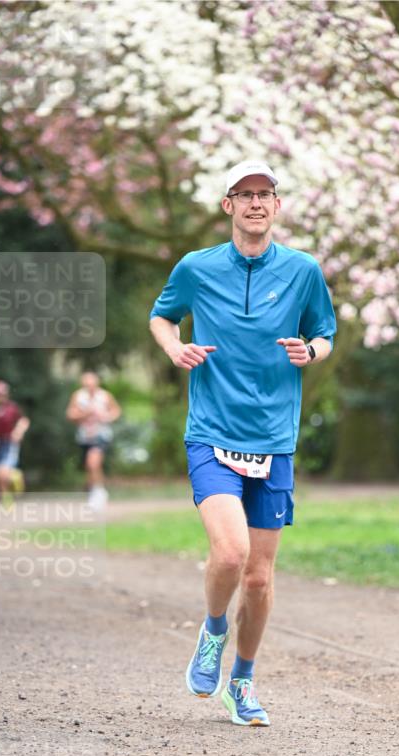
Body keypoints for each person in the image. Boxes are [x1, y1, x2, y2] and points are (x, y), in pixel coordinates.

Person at [149, 159, 336, 727]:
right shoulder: (196, 268)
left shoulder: (303, 270)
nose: (256, 202)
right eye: (244, 194)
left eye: (266, 194)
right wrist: (174, 348)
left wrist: (312, 352)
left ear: (277, 207)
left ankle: (243, 682)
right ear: (228, 205)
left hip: (274, 439)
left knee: (258, 577)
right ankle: (211, 631)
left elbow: (324, 332)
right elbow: (162, 318)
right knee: (230, 554)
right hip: (211, 433)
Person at [66, 372, 122, 511]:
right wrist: (86, 413)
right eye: (87, 384)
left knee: (93, 462)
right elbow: (70, 414)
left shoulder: (104, 396)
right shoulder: (78, 396)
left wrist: (107, 417)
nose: (90, 387)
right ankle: (95, 492)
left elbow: (116, 411)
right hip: (84, 436)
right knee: (89, 466)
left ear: (97, 383)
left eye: (92, 384)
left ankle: (99, 493)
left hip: (101, 435)